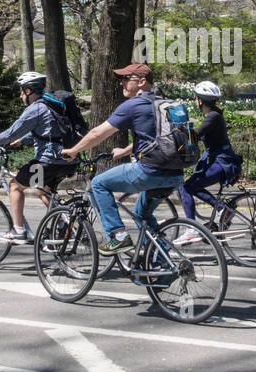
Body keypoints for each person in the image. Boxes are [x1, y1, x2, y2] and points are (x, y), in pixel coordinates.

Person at [60, 63, 184, 254]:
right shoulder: (163, 104)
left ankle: (118, 236)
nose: (122, 84)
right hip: (175, 175)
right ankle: (158, 267)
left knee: (98, 184)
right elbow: (158, 139)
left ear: (142, 82)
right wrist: (125, 151)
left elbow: (97, 133)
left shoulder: (133, 105)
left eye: (126, 79)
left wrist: (74, 150)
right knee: (141, 214)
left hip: (149, 171)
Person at [0, 71, 77, 244]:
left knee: (15, 186)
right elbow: (50, 133)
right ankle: (64, 227)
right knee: (42, 190)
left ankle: (18, 231)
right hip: (67, 159)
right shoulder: (51, 105)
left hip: (48, 161)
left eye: (21, 91)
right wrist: (22, 141)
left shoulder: (36, 108)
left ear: (29, 91)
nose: (20, 95)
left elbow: (11, 131)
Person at [176, 81, 242, 244]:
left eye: (195, 98)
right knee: (193, 186)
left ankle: (191, 229)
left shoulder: (213, 117)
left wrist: (176, 131)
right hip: (219, 162)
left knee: (185, 188)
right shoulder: (213, 116)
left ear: (200, 100)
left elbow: (196, 134)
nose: (194, 100)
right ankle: (222, 209)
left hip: (222, 163)